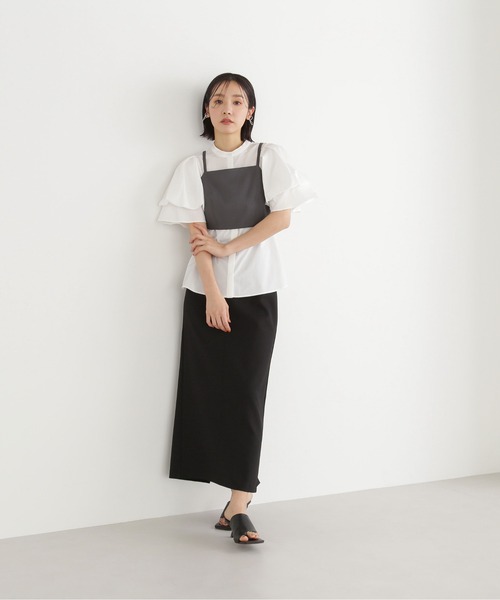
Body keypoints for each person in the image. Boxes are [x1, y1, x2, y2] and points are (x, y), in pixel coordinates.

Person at [157, 73, 316, 545]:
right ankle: (230, 503)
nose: (227, 108)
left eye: (237, 101)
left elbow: (281, 218)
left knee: (248, 396)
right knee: (206, 393)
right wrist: (213, 292)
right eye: (218, 100)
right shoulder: (194, 166)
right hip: (205, 295)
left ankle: (240, 503)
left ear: (250, 112)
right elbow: (196, 237)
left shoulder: (268, 156)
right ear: (207, 110)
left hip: (258, 290)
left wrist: (229, 249)